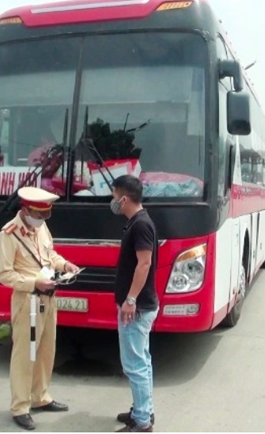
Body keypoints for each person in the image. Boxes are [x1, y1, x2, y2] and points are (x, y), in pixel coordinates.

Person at [0, 186, 79, 431]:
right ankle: (20, 406)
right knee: (26, 354)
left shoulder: (41, 227)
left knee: (45, 350)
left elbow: (49, 254)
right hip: (29, 302)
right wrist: (34, 282)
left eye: (45, 215)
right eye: (38, 215)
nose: (41, 219)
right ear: (25, 210)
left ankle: (40, 397)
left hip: (48, 299)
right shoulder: (8, 235)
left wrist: (65, 264)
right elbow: (4, 274)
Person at [110, 175, 159, 433]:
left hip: (136, 309)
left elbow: (144, 263)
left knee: (134, 365)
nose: (113, 201)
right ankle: (144, 411)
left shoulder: (141, 225)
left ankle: (141, 423)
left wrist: (130, 300)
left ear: (124, 198)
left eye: (114, 196)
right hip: (139, 306)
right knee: (143, 360)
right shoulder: (137, 222)